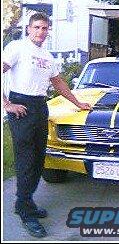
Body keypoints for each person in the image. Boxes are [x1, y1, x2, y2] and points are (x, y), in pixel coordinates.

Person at [3, 12, 92, 238]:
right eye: (37, 27)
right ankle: (25, 211)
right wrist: (7, 104)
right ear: (29, 29)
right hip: (21, 106)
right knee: (26, 160)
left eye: (44, 28)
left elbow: (58, 82)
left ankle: (27, 202)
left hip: (40, 106)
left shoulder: (47, 56)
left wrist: (78, 102)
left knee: (39, 158)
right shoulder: (17, 47)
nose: (41, 32)